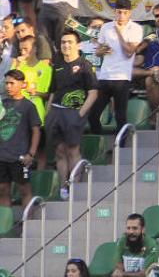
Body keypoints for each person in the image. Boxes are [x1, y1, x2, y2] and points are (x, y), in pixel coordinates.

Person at [46, 30, 97, 201]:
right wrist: (48, 113)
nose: (66, 45)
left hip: (73, 111)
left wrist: (81, 113)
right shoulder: (58, 64)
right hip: (56, 111)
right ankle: (63, 186)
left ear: (78, 45)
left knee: (72, 149)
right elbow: (52, 91)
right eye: (63, 42)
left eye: (69, 42)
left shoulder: (85, 65)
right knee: (60, 151)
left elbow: (93, 93)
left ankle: (76, 185)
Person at [90, 0, 142, 137]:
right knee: (93, 114)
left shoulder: (135, 28)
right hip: (105, 76)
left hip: (122, 78)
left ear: (130, 13)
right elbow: (98, 51)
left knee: (120, 117)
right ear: (115, 12)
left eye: (125, 13)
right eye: (119, 12)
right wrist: (103, 50)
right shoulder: (106, 27)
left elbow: (129, 52)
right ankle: (99, 141)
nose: (121, 16)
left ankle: (121, 148)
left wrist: (118, 32)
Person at [0, 69, 40, 208]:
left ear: (22, 84)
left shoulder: (28, 106)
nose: (8, 86)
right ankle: (6, 224)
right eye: (6, 83)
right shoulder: (2, 104)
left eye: (12, 83)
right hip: (2, 156)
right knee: (3, 190)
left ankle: (28, 223)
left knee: (24, 190)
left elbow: (36, 130)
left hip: (20, 157)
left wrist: (31, 153)